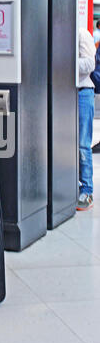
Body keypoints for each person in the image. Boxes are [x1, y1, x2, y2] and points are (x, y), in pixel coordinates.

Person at [77, 28, 96, 211]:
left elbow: (90, 63)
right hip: (62, 92)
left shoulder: (82, 33)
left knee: (83, 144)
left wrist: (64, 60)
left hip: (83, 93)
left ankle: (87, 190)